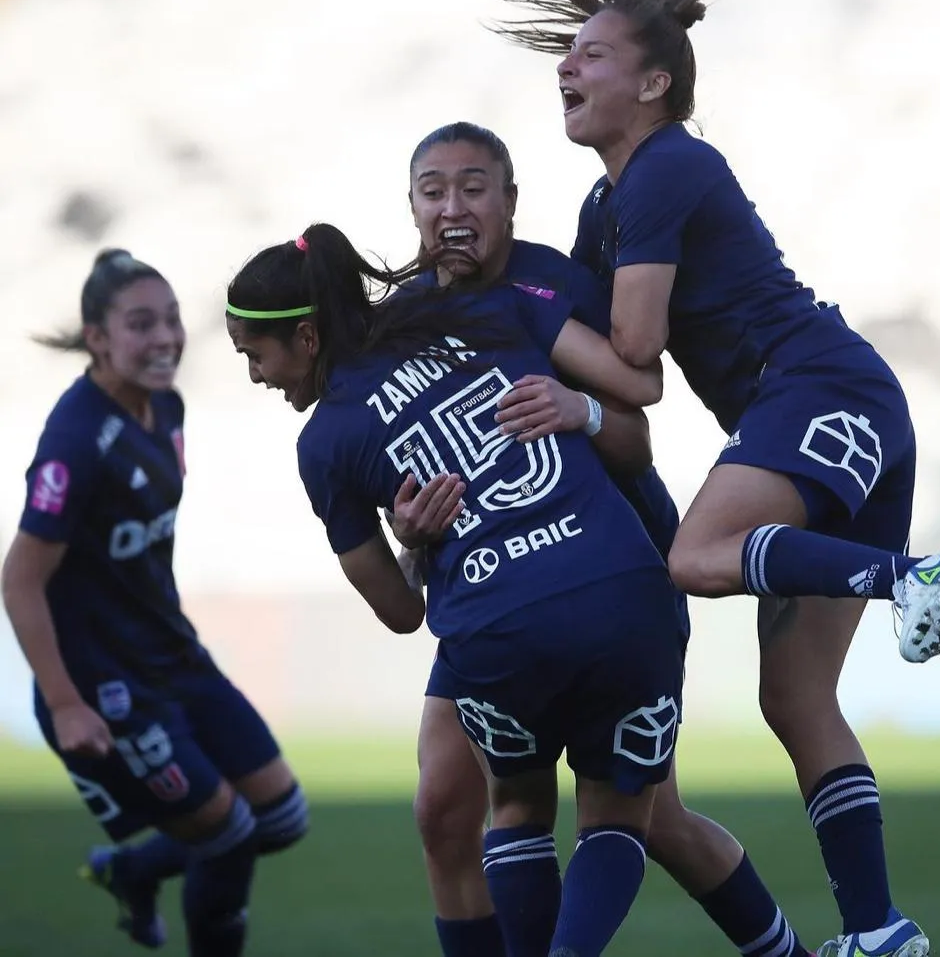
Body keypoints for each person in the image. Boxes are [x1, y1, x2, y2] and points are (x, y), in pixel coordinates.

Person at [474, 0, 940, 956]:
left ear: (656, 84)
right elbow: (620, 382)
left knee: (698, 552)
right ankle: (878, 929)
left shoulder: (665, 167)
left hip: (816, 388)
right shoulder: (604, 203)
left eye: (591, 53)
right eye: (566, 53)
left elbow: (628, 353)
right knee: (792, 699)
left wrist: (523, 306)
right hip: (840, 406)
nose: (565, 67)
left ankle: (912, 575)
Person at [392, 120, 814, 957]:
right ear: (410, 205)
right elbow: (404, 476)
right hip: (483, 589)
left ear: (510, 201)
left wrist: (576, 407)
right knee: (445, 803)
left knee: (651, 816)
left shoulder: (554, 285)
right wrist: (408, 536)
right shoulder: (400, 322)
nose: (454, 207)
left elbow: (635, 429)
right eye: (434, 190)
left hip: (604, 568)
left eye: (474, 187)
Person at [225, 220, 685, 957]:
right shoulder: (464, 312)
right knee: (561, 815)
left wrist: (412, 545)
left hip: (498, 626)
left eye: (254, 354)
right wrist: (584, 411)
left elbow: (402, 610)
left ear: (307, 338)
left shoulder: (326, 443)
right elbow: (640, 391)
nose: (254, 374)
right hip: (624, 582)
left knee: (526, 809)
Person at [1, 250, 308, 956]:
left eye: (171, 320)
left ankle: (133, 871)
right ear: (97, 337)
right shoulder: (76, 441)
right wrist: (66, 701)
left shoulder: (167, 407)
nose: (166, 337)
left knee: (283, 819)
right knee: (228, 836)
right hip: (107, 685)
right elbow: (20, 579)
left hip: (174, 656)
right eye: (141, 324)